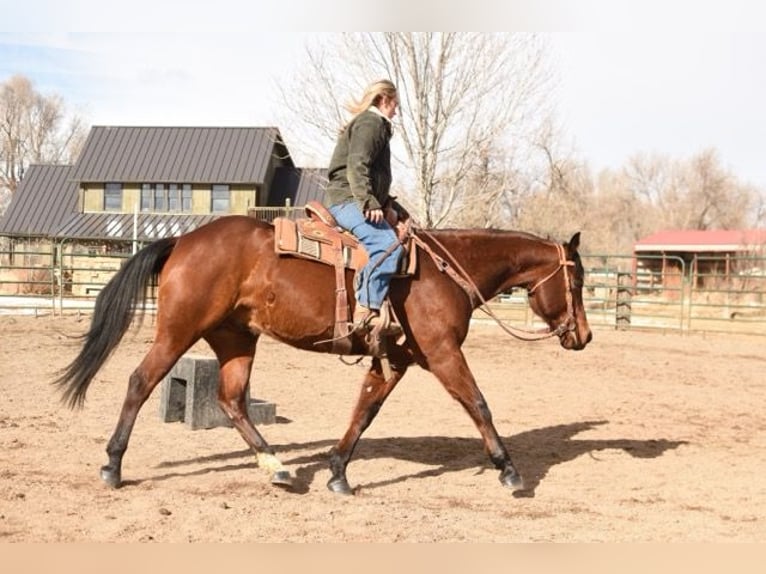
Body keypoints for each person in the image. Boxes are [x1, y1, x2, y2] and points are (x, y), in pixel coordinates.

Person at [324, 79, 406, 332]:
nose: (396, 110)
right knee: (388, 247)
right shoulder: (371, 123)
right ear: (384, 99)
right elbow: (357, 165)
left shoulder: (374, 125)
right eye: (395, 104)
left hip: (355, 198)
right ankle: (365, 307)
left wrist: (388, 205)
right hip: (347, 200)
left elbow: (373, 174)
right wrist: (369, 202)